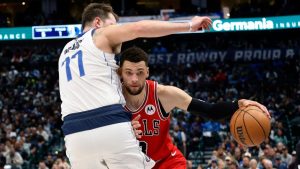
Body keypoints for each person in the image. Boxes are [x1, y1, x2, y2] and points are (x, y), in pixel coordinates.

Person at [58, 2, 212, 169]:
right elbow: (138, 28)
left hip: (74, 136)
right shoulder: (99, 35)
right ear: (97, 23)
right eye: (113, 25)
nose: (117, 31)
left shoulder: (65, 52)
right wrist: (190, 25)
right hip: (109, 124)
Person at [119, 47, 270, 169]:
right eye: (128, 73)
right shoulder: (109, 97)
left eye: (139, 73)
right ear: (120, 73)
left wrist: (238, 104)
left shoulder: (164, 94)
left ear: (147, 72)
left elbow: (210, 111)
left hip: (166, 162)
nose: (134, 79)